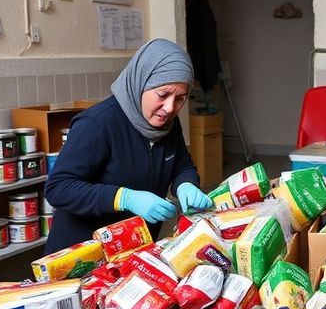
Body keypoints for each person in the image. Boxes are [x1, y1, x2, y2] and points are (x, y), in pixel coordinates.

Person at [45, 39, 212, 253]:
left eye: (180, 99)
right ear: (141, 83)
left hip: (132, 250)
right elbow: (59, 188)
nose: (170, 108)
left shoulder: (168, 123)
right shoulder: (98, 124)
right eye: (162, 95)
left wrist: (186, 184)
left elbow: (181, 165)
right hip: (84, 254)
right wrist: (124, 198)